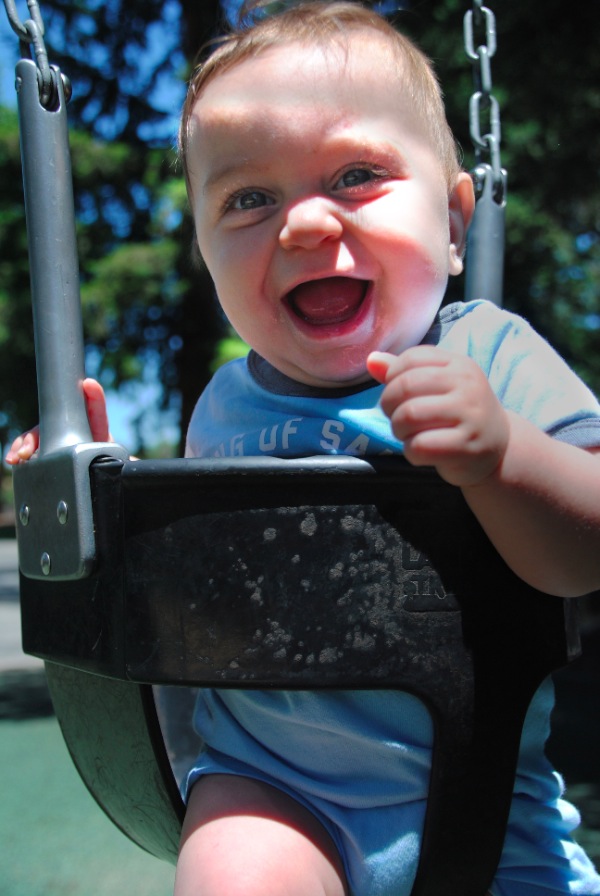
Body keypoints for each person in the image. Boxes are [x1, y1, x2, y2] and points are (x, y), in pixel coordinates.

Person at [7, 3, 600, 894]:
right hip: (276, 790)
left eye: (356, 174)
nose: (304, 226)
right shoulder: (223, 405)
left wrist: (503, 454)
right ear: (205, 250)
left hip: (490, 804)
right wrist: (98, 489)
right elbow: (193, 599)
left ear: (452, 219)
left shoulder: (489, 354)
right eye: (249, 198)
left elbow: (585, 551)